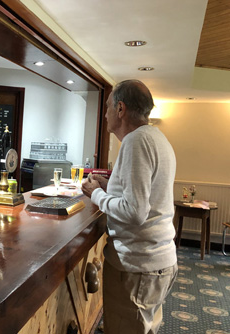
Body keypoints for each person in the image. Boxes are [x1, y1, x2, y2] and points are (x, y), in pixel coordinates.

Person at [81, 80, 178, 334]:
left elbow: (135, 212)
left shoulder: (136, 141)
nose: (104, 115)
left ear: (120, 109)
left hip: (138, 268)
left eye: (107, 107)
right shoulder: (157, 138)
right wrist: (111, 183)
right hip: (156, 263)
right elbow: (145, 192)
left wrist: (97, 194)